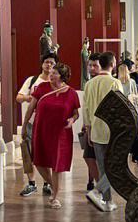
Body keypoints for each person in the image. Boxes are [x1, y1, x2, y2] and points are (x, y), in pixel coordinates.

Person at [23, 62, 80, 209]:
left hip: (61, 133)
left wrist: (72, 119)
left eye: (54, 73)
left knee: (57, 164)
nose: (51, 74)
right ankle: (53, 185)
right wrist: (24, 126)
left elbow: (76, 113)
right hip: (41, 130)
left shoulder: (72, 93)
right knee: (38, 161)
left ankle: (55, 197)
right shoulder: (42, 87)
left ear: (62, 76)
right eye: (51, 72)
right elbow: (31, 107)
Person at [82, 52, 121, 213]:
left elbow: (86, 109)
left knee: (103, 168)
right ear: (112, 64)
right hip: (112, 131)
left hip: (96, 131)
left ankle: (108, 201)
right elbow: (120, 108)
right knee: (115, 168)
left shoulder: (89, 84)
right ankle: (98, 192)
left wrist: (88, 129)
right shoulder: (115, 83)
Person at [15, 56, 55, 198]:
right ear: (42, 64)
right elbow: (19, 97)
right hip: (32, 122)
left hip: (48, 124)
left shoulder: (55, 82)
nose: (49, 65)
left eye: (52, 63)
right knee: (28, 152)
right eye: (46, 62)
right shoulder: (32, 81)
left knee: (46, 153)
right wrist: (30, 98)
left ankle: (47, 183)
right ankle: (31, 183)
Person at [80, 57, 100, 191]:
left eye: (95, 65)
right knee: (89, 156)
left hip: (101, 127)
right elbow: (86, 106)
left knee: (97, 157)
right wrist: (86, 124)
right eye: (90, 65)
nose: (92, 68)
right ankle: (93, 181)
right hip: (91, 125)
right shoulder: (88, 83)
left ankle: (101, 185)